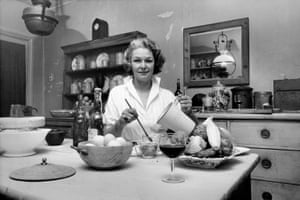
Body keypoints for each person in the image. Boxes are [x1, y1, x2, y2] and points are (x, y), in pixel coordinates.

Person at [103, 37, 193, 143]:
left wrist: (187, 113)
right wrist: (121, 123)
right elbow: (107, 136)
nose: (143, 66)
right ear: (130, 64)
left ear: (155, 64)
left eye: (148, 61)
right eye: (137, 60)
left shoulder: (168, 96)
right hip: (128, 158)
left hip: (161, 157)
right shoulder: (117, 94)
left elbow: (186, 133)